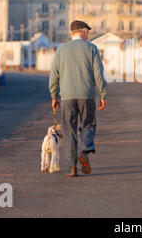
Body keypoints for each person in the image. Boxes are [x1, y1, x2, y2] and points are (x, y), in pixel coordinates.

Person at [49, 20, 107, 177]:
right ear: (82, 32)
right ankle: (84, 150)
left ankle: (73, 167)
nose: (88, 34)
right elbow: (98, 74)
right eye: (87, 31)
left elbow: (54, 74)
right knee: (88, 125)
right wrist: (102, 94)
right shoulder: (92, 49)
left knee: (70, 131)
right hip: (87, 96)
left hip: (67, 97)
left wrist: (54, 95)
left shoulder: (61, 50)